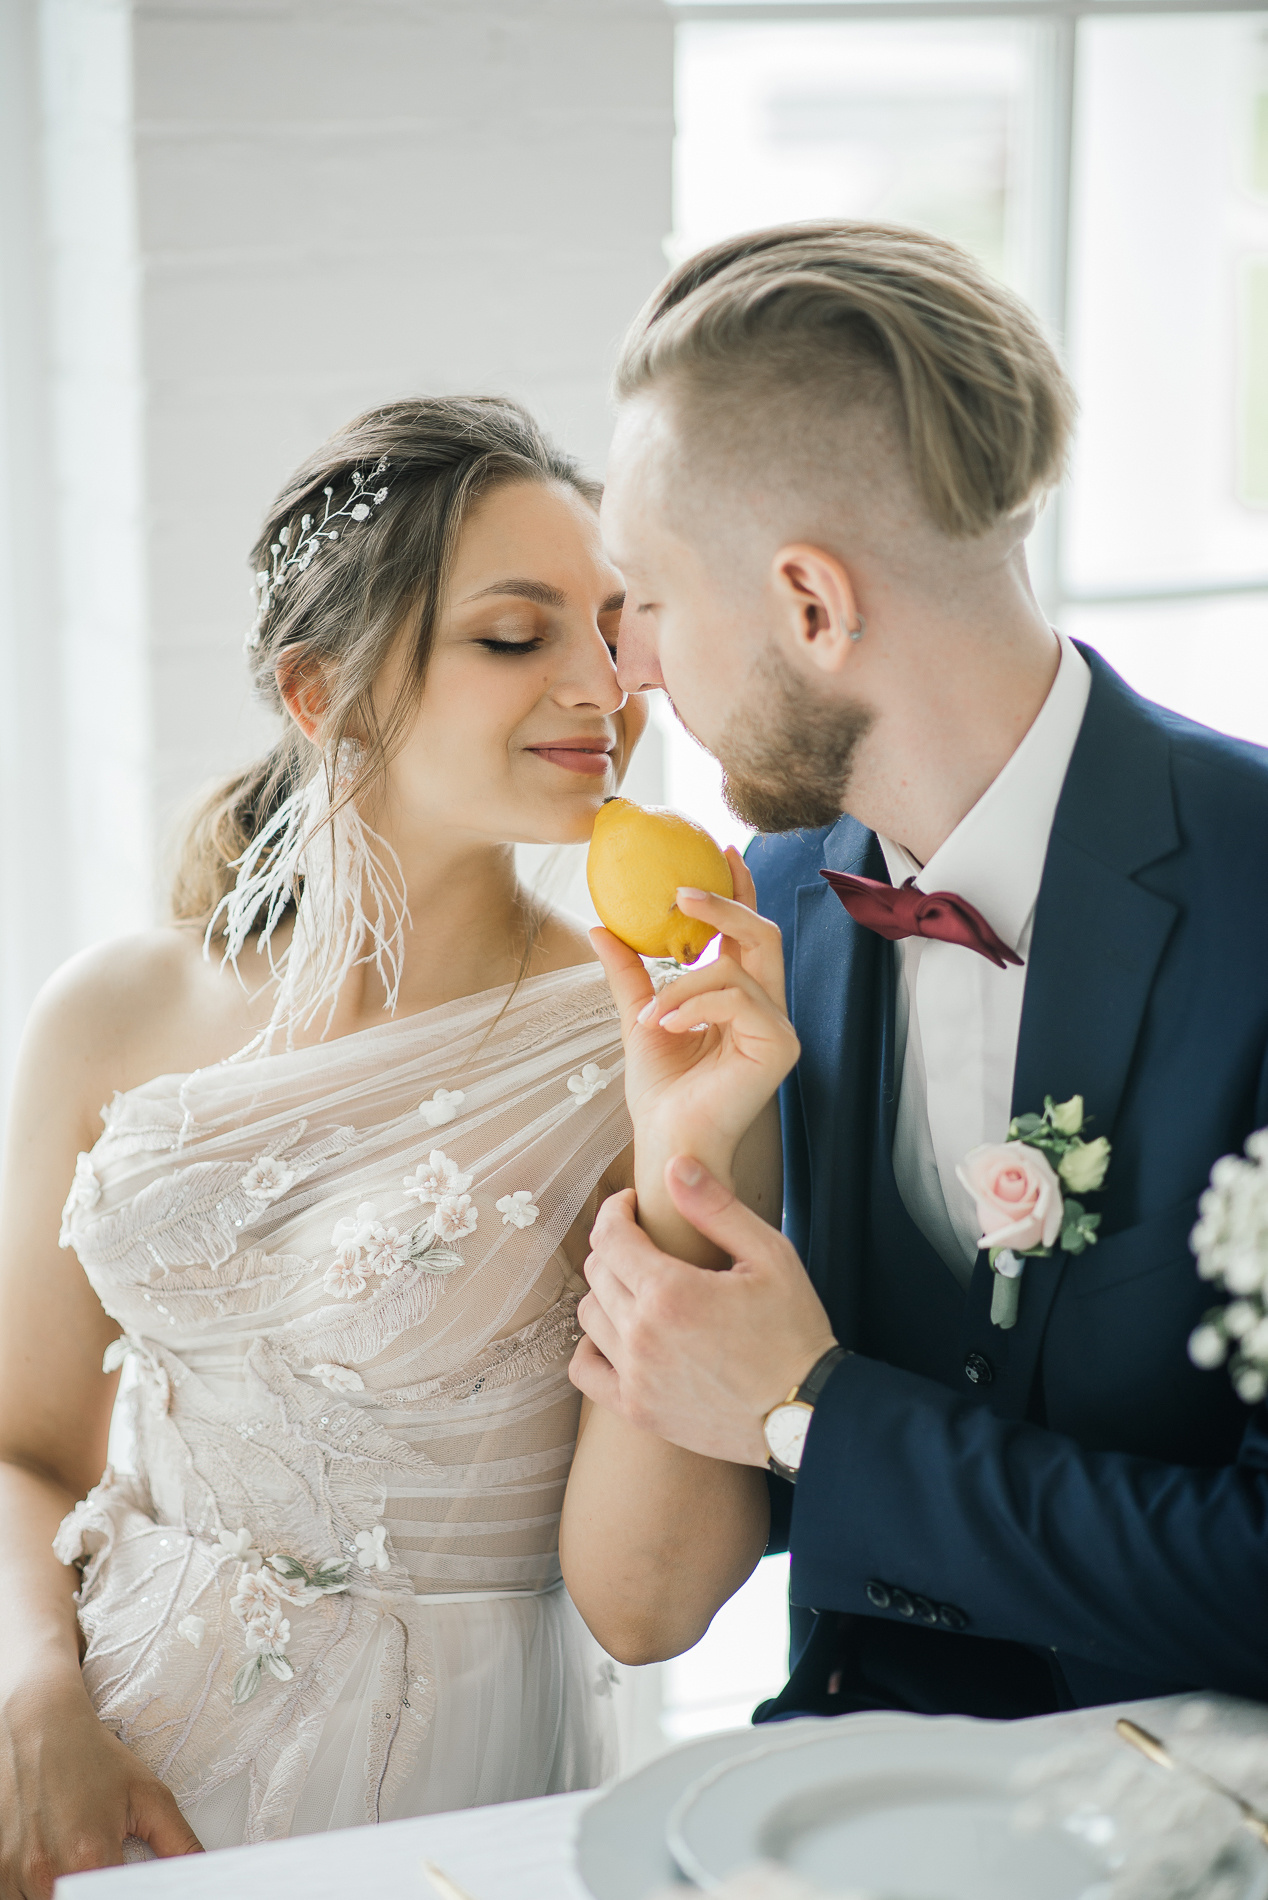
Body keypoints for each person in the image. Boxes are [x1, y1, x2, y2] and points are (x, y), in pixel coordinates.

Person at [0, 394, 780, 1890]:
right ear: (322, 692)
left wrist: (687, 1167)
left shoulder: (647, 1043)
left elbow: (650, 1609)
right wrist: (33, 1699)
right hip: (90, 1762)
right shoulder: (105, 1010)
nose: (604, 686)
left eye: (616, 627)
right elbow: (25, 1448)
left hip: (433, 1800)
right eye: (515, 635)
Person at [566, 221, 1268, 1719]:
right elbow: (644, 1608)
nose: (629, 669)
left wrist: (814, 1416)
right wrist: (692, 1170)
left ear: (811, 607)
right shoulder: (764, 919)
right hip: (835, 1819)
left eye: (651, 599)